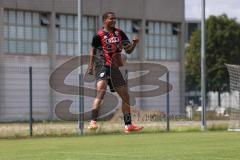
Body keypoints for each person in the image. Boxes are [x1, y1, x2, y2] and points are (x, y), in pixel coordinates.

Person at [87, 12, 143, 133]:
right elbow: (92, 51)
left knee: (126, 96)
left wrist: (134, 44)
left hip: (114, 69)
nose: (114, 20)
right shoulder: (98, 35)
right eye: (111, 19)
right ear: (105, 20)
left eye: (115, 19)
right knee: (101, 92)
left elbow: (128, 51)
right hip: (102, 66)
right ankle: (93, 122)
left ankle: (128, 125)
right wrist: (90, 67)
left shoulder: (119, 33)